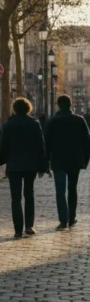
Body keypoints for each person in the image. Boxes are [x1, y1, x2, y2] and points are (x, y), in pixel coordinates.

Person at [0, 97, 48, 239]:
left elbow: (4, 145)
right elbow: (40, 146)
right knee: (29, 194)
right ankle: (29, 226)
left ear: (15, 109)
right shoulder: (34, 124)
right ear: (28, 108)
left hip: (14, 165)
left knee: (15, 197)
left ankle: (18, 229)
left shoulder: (9, 124)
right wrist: (43, 166)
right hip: (30, 164)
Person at [45, 94, 90, 230]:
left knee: (60, 190)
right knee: (72, 189)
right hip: (74, 160)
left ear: (58, 105)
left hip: (58, 160)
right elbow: (87, 142)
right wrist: (85, 160)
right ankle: (71, 218)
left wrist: (45, 162)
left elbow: (47, 143)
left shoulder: (53, 121)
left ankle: (63, 220)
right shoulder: (79, 120)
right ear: (70, 105)